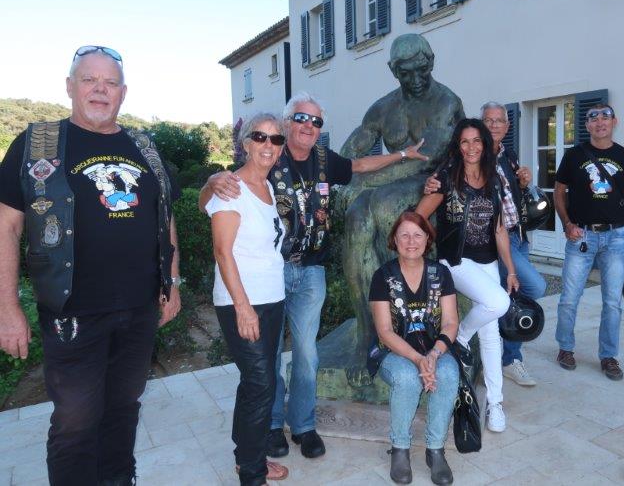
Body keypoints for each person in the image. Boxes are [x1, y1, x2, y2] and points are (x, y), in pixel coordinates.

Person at [199, 92, 426, 459]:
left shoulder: (323, 159)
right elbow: (221, 196)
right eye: (301, 118)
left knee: (307, 354)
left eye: (316, 121)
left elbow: (360, 166)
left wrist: (404, 154)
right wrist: (212, 180)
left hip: (311, 272)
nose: (309, 126)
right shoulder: (270, 154)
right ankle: (273, 425)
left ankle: (303, 425)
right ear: (287, 123)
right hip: (273, 273)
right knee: (270, 355)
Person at [0, 45, 181, 485]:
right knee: (75, 423)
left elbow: (166, 217)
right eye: (89, 80)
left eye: (110, 82)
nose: (100, 89)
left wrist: (172, 283)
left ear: (123, 92)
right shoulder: (37, 144)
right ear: (70, 87)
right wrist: (7, 308)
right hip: (72, 313)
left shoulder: (144, 146)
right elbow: (6, 227)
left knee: (124, 408)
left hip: (138, 309)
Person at [338, 34, 464, 360]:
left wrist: (362, 182)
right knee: (356, 216)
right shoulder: (383, 107)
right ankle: (368, 327)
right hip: (392, 182)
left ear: (431, 62)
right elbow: (351, 149)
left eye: (422, 69)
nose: (416, 79)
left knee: (378, 205)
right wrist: (331, 176)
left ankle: (406, 325)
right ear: (393, 70)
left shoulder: (446, 102)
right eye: (406, 73)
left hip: (431, 182)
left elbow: (426, 159)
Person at [425, 102, 547, 387]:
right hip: (486, 242)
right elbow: (441, 186)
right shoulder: (463, 161)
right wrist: (432, 184)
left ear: (507, 125)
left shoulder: (507, 156)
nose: (494, 125)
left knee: (504, 302)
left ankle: (505, 367)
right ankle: (493, 350)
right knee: (527, 291)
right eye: (488, 121)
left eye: (499, 121)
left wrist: (524, 182)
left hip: (515, 235)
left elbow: (506, 202)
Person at [416, 118, 519, 433]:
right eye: (465, 141)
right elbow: (419, 216)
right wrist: (429, 248)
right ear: (457, 146)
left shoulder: (494, 179)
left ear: (485, 145)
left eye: (476, 141)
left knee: (491, 333)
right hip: (455, 260)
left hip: (487, 261)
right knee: (498, 303)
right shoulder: (447, 178)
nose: (471, 147)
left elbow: (499, 229)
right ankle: (460, 336)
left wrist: (510, 270)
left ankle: (495, 404)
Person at [205, 113, 289, 485]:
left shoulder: (267, 187)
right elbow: (222, 252)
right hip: (242, 301)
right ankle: (253, 474)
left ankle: (246, 457)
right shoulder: (231, 188)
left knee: (256, 381)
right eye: (260, 137)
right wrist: (243, 307)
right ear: (246, 143)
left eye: (276, 139)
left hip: (272, 298)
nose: (268, 145)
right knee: (261, 383)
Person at [553, 104, 624, 381]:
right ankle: (565, 348)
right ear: (587, 125)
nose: (600, 121)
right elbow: (559, 192)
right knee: (569, 299)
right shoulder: (573, 156)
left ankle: (608, 356)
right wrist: (567, 223)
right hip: (581, 236)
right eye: (593, 117)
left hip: (616, 237)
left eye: (605, 116)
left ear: (614, 122)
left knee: (613, 302)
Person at [369, 211, 459, 485]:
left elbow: (451, 322)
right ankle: (400, 448)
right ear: (394, 240)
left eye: (418, 235)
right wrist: (419, 360)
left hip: (434, 348)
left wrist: (433, 354)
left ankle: (435, 449)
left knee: (448, 372)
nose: (411, 241)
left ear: (427, 239)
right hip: (393, 351)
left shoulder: (440, 273)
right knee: (407, 377)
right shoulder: (383, 276)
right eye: (404, 235)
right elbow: (385, 332)